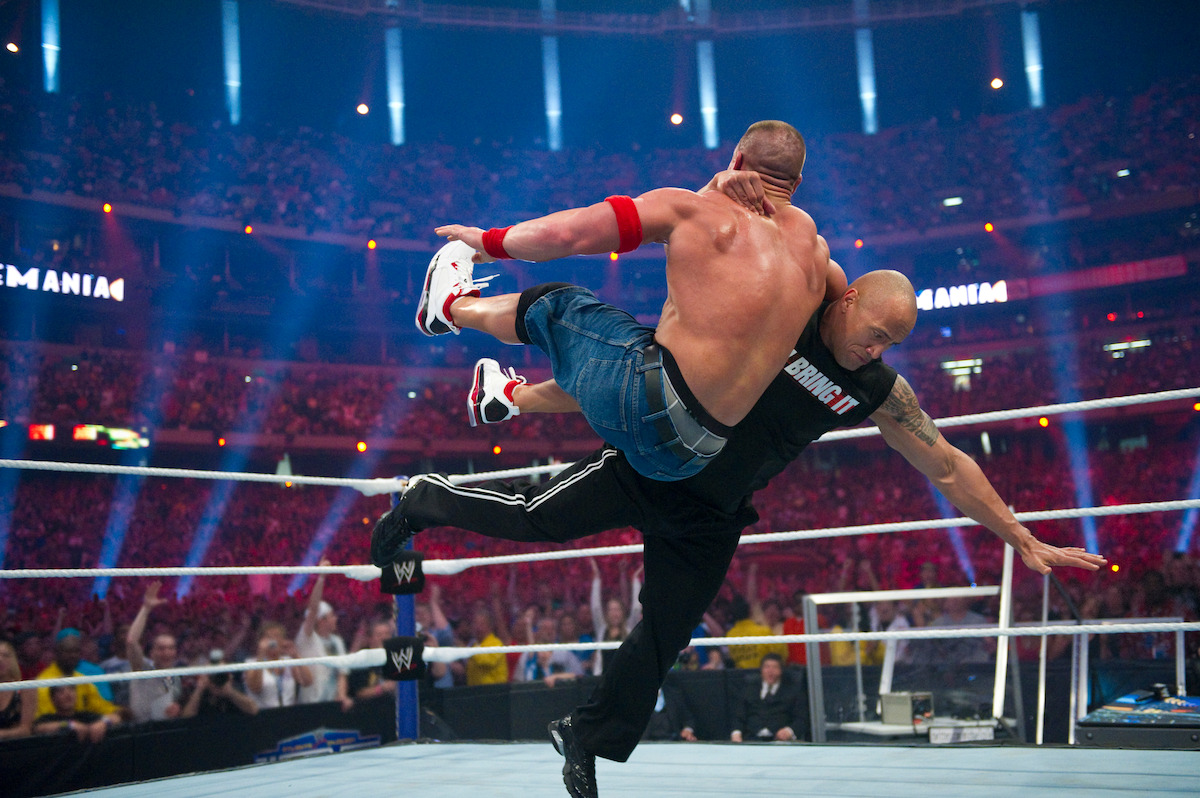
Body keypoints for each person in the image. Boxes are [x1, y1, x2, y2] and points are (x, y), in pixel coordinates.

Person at [372, 268, 1107, 798]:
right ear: (847, 301)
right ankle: (428, 498)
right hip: (653, 463)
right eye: (875, 333)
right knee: (535, 518)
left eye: (890, 345)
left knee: (664, 635)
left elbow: (945, 464)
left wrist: (1018, 533)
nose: (876, 350)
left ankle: (586, 737)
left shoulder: (877, 388)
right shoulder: (784, 308)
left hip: (712, 514)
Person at [426, 121, 837, 484]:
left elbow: (569, 236)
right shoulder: (819, 259)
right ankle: (508, 398)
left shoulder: (693, 209)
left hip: (647, 411)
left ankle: (450, 308)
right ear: (796, 184)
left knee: (558, 306)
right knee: (636, 349)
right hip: (700, 456)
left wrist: (487, 242)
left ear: (737, 159)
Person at [294, 560, 351, 709]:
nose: (335, 618)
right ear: (321, 620)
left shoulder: (337, 641)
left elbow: (342, 673)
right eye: (332, 615)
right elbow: (313, 609)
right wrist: (321, 578)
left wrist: (342, 695)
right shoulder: (307, 637)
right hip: (310, 705)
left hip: (332, 703)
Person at [125, 581, 183, 723]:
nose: (166, 652)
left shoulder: (175, 677)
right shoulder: (143, 670)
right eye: (161, 648)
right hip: (140, 731)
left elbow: (173, 705)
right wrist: (146, 608)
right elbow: (131, 641)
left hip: (164, 730)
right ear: (152, 653)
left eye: (171, 648)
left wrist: (176, 708)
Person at [35, 630, 119, 720]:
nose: (73, 655)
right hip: (56, 728)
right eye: (68, 651)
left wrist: (118, 712)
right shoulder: (44, 682)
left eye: (76, 651)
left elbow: (100, 706)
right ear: (57, 653)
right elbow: (45, 718)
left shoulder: (81, 679)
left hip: (85, 727)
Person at [730, 653, 806, 743]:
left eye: (775, 667)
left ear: (781, 671)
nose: (770, 671)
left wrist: (789, 731)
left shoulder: (793, 691)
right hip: (751, 740)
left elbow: (801, 719)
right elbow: (738, 717)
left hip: (780, 742)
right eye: (767, 667)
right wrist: (736, 734)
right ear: (761, 670)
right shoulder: (749, 690)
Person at [180, 650, 259, 718]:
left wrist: (230, 693)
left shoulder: (231, 685)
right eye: (213, 673)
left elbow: (253, 710)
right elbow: (186, 717)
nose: (217, 676)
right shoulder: (197, 688)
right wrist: (200, 689)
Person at [33, 685, 121, 744]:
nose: (68, 694)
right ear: (53, 699)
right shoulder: (48, 718)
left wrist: (104, 722)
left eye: (71, 690)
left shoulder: (85, 715)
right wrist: (68, 725)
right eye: (61, 692)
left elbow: (116, 717)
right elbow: (38, 728)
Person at [0, 636, 36, 739]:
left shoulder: (25, 689)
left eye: (6, 655)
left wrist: (1, 734)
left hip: (16, 749)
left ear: (13, 660)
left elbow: (25, 730)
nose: (0, 659)